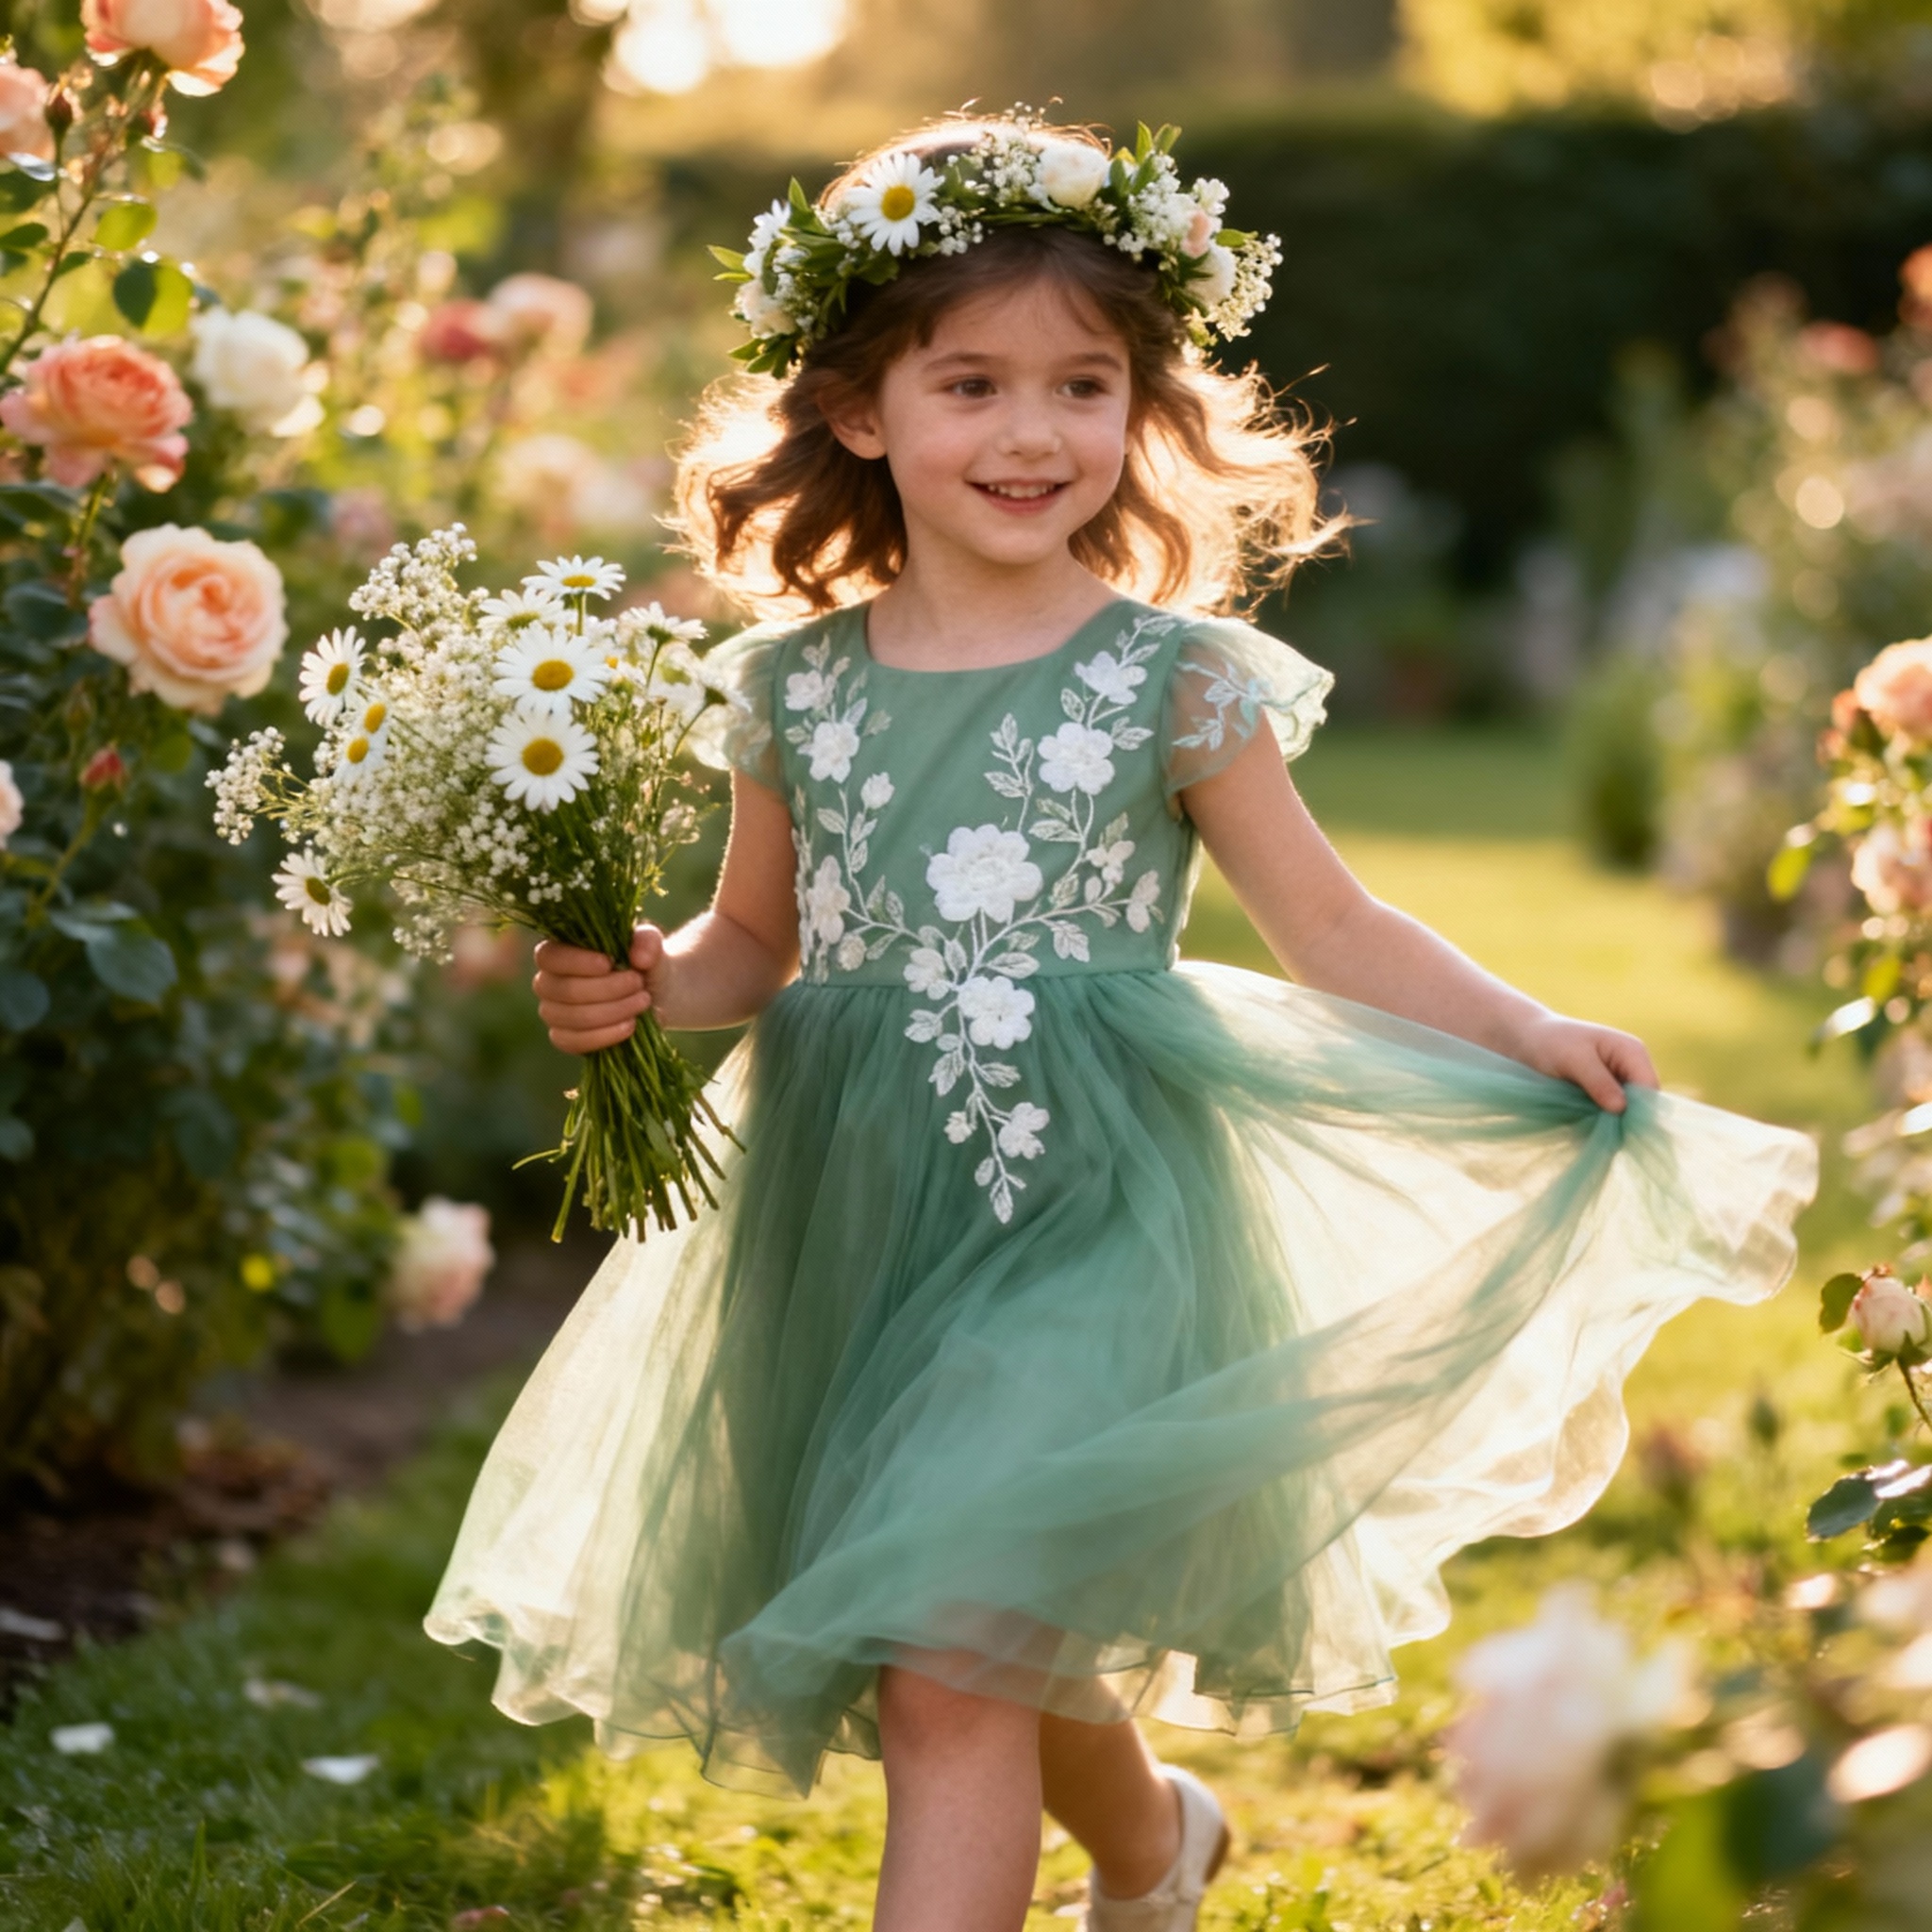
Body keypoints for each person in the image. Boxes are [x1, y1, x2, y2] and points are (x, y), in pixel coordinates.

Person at [425, 116, 1817, 1932]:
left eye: (1085, 385)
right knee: (982, 1626)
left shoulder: (1174, 683)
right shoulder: (792, 692)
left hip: (1094, 1206)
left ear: (1141, 408)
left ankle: (1123, 1850)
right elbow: (753, 941)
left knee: (947, 1665)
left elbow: (1330, 923)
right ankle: (1156, 1846)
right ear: (860, 412)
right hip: (850, 1220)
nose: (1033, 434)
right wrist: (643, 984)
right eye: (975, 383)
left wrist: (1523, 1025)